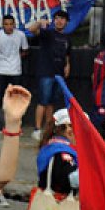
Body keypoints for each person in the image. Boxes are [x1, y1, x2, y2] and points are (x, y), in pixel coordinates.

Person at [28, 10, 72, 140]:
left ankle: (48, 129)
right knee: (43, 101)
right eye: (57, 18)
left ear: (67, 22)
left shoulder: (68, 38)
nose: (60, 21)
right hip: (46, 72)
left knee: (51, 103)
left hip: (59, 75)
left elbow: (67, 54)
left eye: (62, 19)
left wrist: (67, 65)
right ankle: (37, 129)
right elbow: (32, 30)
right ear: (54, 20)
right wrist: (39, 23)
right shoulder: (47, 33)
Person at [0, 14, 28, 130]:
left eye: (11, 24)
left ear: (14, 24)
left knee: (16, 98)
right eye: (6, 24)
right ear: (2, 25)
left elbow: (25, 50)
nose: (9, 27)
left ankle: (15, 123)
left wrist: (16, 58)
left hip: (15, 71)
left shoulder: (21, 35)